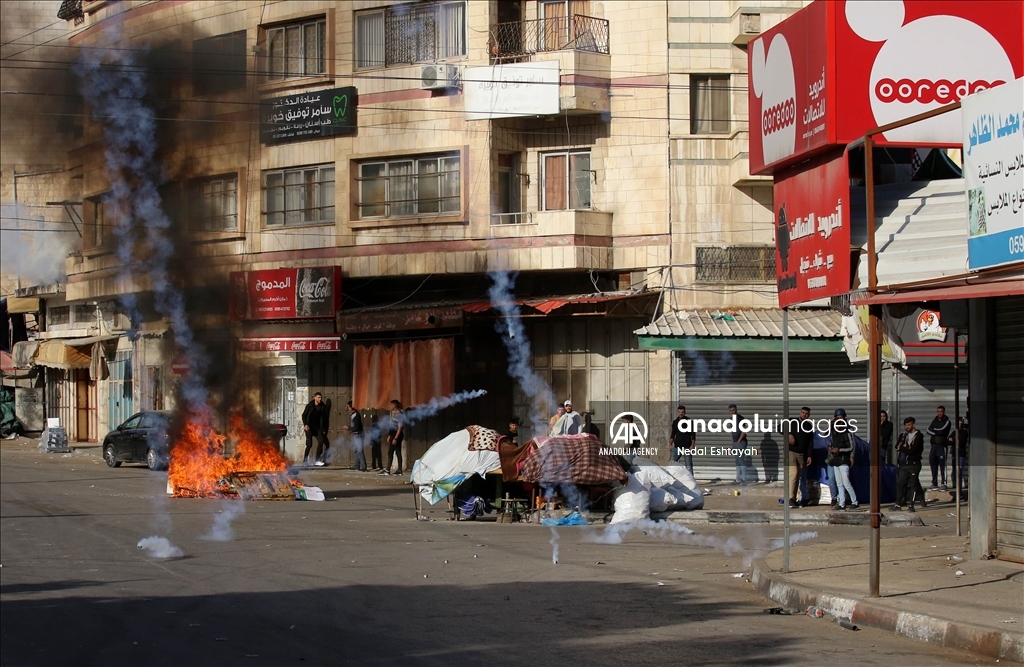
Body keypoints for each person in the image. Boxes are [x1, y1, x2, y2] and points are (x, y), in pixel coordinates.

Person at [827, 408, 858, 510]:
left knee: (846, 483)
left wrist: (840, 450)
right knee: (839, 483)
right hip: (836, 461)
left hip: (844, 460)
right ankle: (841, 503)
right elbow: (824, 435)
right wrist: (831, 449)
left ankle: (855, 501)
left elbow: (851, 447)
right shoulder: (834, 434)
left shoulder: (848, 432)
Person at [893, 416, 924, 512]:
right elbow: (897, 446)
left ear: (913, 425)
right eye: (905, 425)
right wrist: (905, 447)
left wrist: (903, 448)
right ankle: (898, 504)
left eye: (909, 425)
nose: (907, 427)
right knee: (900, 483)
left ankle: (912, 505)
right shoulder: (903, 435)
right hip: (904, 464)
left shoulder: (918, 436)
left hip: (914, 463)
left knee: (913, 484)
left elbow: (913, 450)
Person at [788, 406, 813, 508]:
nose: (804, 415)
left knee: (799, 476)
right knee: (793, 474)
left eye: (806, 413)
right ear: (800, 413)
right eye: (803, 413)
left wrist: (809, 455)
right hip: (791, 452)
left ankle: (797, 499)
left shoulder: (808, 426)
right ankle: (791, 498)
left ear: (809, 415)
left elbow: (810, 442)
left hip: (802, 454)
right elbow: (779, 427)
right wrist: (789, 434)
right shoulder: (792, 421)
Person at [926, 405, 952, 490]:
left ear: (944, 412)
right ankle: (934, 483)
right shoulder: (934, 420)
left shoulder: (947, 421)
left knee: (942, 465)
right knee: (933, 463)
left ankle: (944, 483)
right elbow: (928, 430)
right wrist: (936, 432)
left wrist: (934, 430)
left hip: (941, 446)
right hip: (933, 446)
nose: (939, 413)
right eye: (938, 411)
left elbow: (942, 431)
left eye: (941, 411)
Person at [301, 392, 330, 467]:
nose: (320, 399)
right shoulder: (309, 406)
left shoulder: (322, 406)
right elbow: (303, 415)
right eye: (318, 397)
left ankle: (317, 460)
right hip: (309, 427)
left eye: (321, 398)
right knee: (309, 444)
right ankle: (305, 461)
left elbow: (324, 418)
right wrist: (305, 424)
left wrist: (323, 428)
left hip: (317, 428)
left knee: (321, 441)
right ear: (315, 398)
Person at [380, 399, 404, 476]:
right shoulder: (395, 414)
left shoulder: (400, 415)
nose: (390, 406)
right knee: (390, 452)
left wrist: (395, 438)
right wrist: (390, 436)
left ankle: (399, 470)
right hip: (393, 435)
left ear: (394, 405)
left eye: (391, 405)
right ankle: (387, 469)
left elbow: (400, 427)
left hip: (397, 436)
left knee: (398, 452)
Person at [728, 404, 751, 485]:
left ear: (736, 409)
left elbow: (744, 430)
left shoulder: (740, 418)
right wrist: (733, 440)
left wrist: (739, 440)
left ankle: (744, 479)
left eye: (733, 410)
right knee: (737, 461)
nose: (732, 412)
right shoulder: (731, 419)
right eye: (730, 411)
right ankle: (738, 479)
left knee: (741, 461)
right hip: (735, 443)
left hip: (741, 442)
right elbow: (731, 430)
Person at [669, 405, 695, 475]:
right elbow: (673, 434)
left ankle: (691, 480)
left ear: (685, 412)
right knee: (672, 464)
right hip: (677, 447)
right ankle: (670, 478)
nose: (681, 413)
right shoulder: (675, 422)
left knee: (689, 466)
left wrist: (692, 445)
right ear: (677, 412)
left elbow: (693, 434)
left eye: (682, 412)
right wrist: (670, 444)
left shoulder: (689, 421)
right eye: (679, 412)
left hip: (687, 446)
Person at [343, 401, 367, 472]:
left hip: (359, 435)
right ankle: (357, 466)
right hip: (355, 435)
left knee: (359, 451)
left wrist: (348, 428)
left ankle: (364, 467)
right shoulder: (353, 415)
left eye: (348, 407)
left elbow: (356, 427)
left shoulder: (356, 415)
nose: (348, 408)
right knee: (356, 451)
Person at [952, 416, 969, 490]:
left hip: (961, 455)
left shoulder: (964, 433)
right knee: (954, 471)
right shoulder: (954, 432)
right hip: (954, 455)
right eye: (958, 424)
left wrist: (954, 440)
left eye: (961, 424)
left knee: (959, 470)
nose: (959, 425)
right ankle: (956, 486)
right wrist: (955, 441)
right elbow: (948, 441)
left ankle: (959, 488)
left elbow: (961, 443)